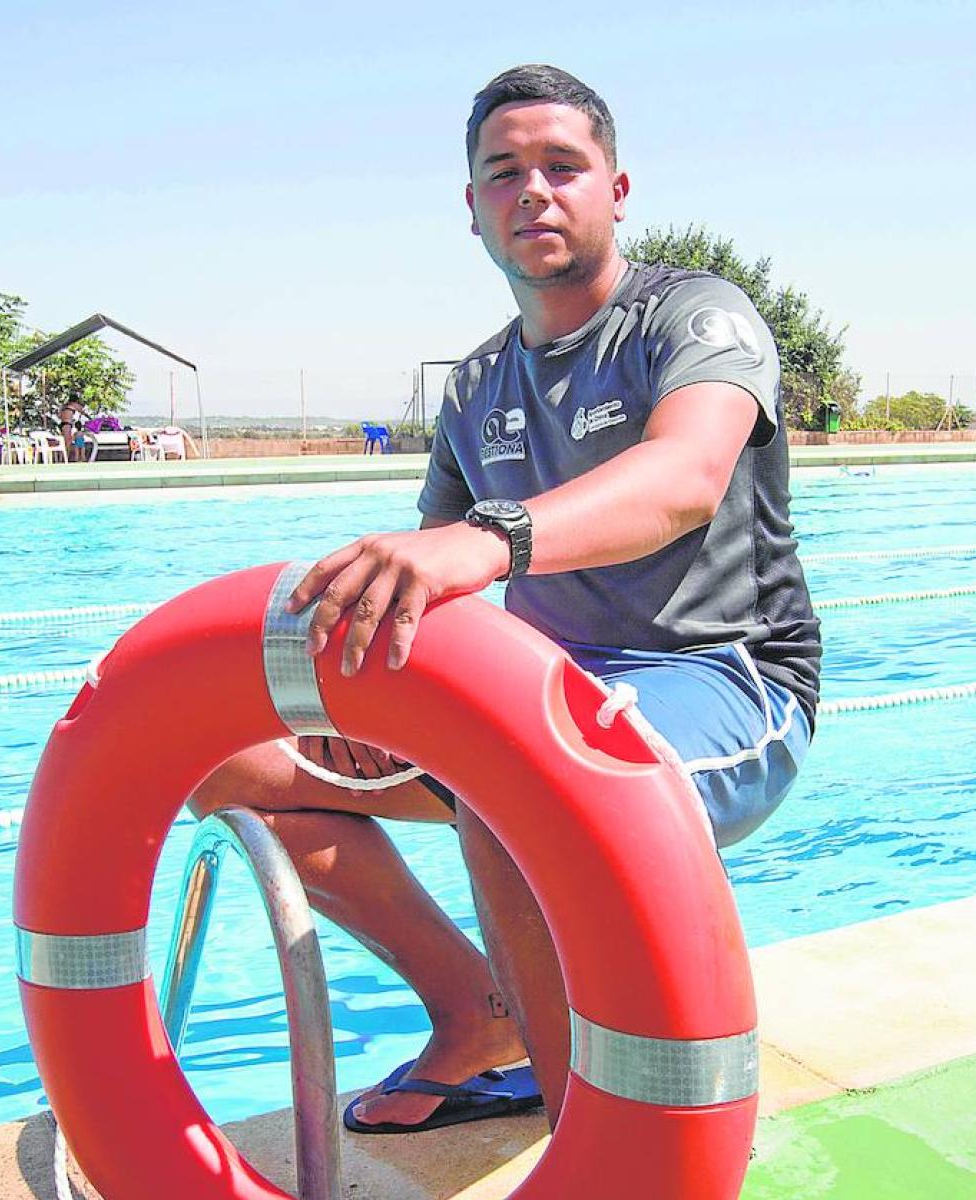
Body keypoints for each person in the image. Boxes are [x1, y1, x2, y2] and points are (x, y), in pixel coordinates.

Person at [192, 64, 820, 1136]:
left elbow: (683, 478)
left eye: (562, 165)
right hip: (537, 697)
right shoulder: (478, 384)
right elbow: (430, 585)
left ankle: (597, 1151)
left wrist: (495, 538)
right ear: (473, 207)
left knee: (520, 789)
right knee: (236, 766)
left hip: (724, 682)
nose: (533, 189)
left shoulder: (695, 317)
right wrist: (364, 705)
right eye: (504, 172)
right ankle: (480, 1016)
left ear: (617, 189)